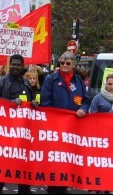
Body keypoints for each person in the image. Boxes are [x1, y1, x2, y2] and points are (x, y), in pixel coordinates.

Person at [40, 51, 90, 194]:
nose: (64, 65)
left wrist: (83, 109)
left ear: (74, 64)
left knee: (68, 157)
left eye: (68, 63)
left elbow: (86, 100)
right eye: (62, 63)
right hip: (55, 128)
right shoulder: (51, 79)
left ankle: (63, 186)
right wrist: (54, 120)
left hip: (73, 128)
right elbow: (45, 102)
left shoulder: (79, 81)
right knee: (55, 157)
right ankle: (53, 187)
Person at [0, 54, 38, 195]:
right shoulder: (0, 82)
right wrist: (10, 102)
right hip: (4, 129)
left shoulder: (26, 83)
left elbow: (32, 99)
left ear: (23, 66)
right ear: (9, 65)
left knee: (23, 160)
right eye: (13, 64)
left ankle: (24, 189)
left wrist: (35, 103)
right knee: (1, 161)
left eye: (18, 65)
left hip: (22, 130)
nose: (15, 67)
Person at [89, 74, 113, 194]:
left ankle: (108, 186)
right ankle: (95, 187)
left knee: (111, 162)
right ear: (105, 84)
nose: (111, 87)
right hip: (101, 136)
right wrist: (110, 115)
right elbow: (92, 115)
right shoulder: (98, 98)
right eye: (109, 84)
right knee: (99, 161)